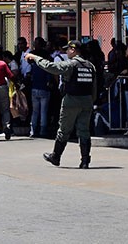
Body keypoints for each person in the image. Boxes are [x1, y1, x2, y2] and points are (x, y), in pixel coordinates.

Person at [25, 40, 96, 169]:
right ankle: (85, 161)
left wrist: (35, 58)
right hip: (87, 101)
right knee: (84, 131)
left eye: (68, 49)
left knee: (64, 130)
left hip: (72, 101)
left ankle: (56, 156)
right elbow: (94, 88)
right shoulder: (90, 66)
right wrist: (90, 101)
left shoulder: (71, 65)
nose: (66, 52)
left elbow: (53, 68)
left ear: (73, 50)